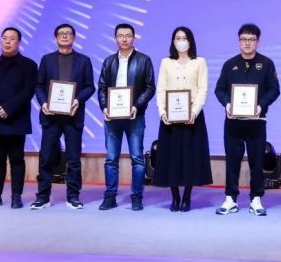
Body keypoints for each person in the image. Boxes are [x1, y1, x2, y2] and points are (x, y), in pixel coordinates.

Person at [214, 23, 280, 216]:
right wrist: (227, 104)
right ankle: (231, 198)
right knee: (232, 161)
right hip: (233, 122)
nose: (247, 43)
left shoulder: (266, 64)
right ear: (238, 42)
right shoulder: (229, 64)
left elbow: (274, 89)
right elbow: (219, 89)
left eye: (251, 39)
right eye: (244, 39)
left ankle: (256, 199)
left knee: (257, 161)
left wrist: (261, 105)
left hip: (257, 122)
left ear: (258, 42)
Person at [31, 24, 95, 210]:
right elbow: (39, 85)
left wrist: (77, 100)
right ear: (55, 38)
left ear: (74, 38)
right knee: (46, 158)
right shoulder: (47, 60)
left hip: (73, 116)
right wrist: (43, 102)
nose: (65, 36)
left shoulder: (84, 61)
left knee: (73, 159)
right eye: (61, 33)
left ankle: (73, 196)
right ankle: (43, 197)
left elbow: (90, 87)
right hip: (50, 116)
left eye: (68, 33)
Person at [0, 27, 38, 209]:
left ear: (19, 42)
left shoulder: (29, 65)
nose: (8, 41)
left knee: (17, 159)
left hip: (17, 118)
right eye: (4, 38)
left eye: (12, 38)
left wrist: (9, 109)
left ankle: (16, 196)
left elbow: (28, 91)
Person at [97, 23, 155, 211]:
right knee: (111, 159)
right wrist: (105, 107)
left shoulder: (144, 60)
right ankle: (110, 197)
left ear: (134, 37)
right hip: (112, 118)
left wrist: (136, 106)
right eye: (120, 35)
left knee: (137, 159)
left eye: (128, 35)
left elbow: (150, 88)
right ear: (115, 38)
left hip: (134, 117)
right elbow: (102, 88)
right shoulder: (109, 61)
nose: (124, 39)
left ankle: (137, 197)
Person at [154, 26, 213, 212]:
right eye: (178, 38)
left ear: (190, 41)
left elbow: (203, 89)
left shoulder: (199, 62)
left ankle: (187, 196)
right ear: (173, 41)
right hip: (170, 117)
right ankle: (175, 197)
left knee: (190, 156)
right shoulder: (166, 62)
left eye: (184, 38)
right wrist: (162, 112)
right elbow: (160, 89)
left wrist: (194, 112)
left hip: (193, 117)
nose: (181, 41)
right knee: (171, 156)